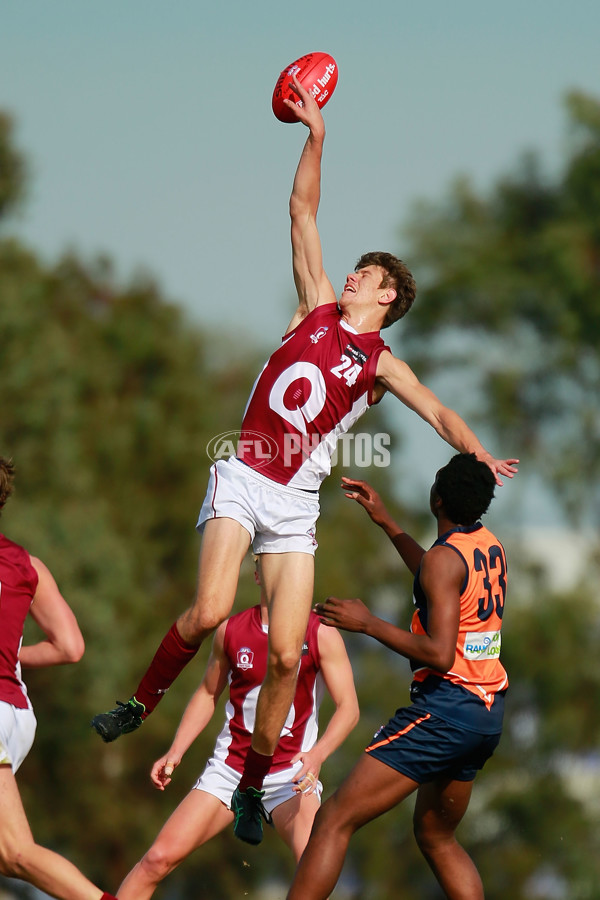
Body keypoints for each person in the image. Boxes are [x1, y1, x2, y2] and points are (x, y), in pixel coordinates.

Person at [91, 74, 518, 846]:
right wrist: (315, 136)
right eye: (356, 269)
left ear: (387, 299)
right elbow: (301, 211)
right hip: (245, 475)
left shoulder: (381, 363)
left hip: (295, 505)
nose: (353, 274)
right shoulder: (315, 304)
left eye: (370, 274)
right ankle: (138, 704)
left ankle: (254, 787)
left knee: (289, 656)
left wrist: (478, 448)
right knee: (213, 612)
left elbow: (436, 408)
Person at [286, 452, 509, 900]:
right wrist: (387, 522)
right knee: (436, 836)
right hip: (486, 715)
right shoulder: (488, 544)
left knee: (333, 821)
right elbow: (438, 580)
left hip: (446, 710)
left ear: (437, 498)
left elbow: (440, 654)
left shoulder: (445, 560)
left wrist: (367, 622)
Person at [116, 555, 358, 900]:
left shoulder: (321, 632)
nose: (279, 576)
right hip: (231, 771)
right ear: (257, 575)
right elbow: (206, 693)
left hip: (290, 777)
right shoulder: (230, 630)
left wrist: (318, 755)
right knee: (156, 860)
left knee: (315, 870)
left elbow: (349, 708)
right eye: (270, 567)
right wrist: (176, 750)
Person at [0, 458, 118, 900]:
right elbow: (71, 646)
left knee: (14, 851)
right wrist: (10, 656)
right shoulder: (27, 565)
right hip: (16, 716)